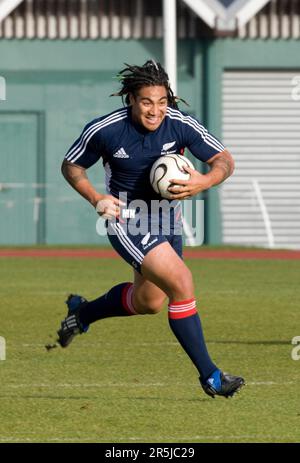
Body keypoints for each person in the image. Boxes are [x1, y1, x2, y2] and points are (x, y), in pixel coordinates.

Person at [55, 60, 245, 399]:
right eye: (146, 102)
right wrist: (96, 198)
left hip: (168, 221)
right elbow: (71, 166)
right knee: (182, 282)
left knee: (149, 301)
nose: (155, 110)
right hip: (128, 219)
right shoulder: (106, 130)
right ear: (131, 99)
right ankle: (212, 376)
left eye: (161, 102)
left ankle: (82, 313)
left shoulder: (181, 124)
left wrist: (204, 181)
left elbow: (225, 161)